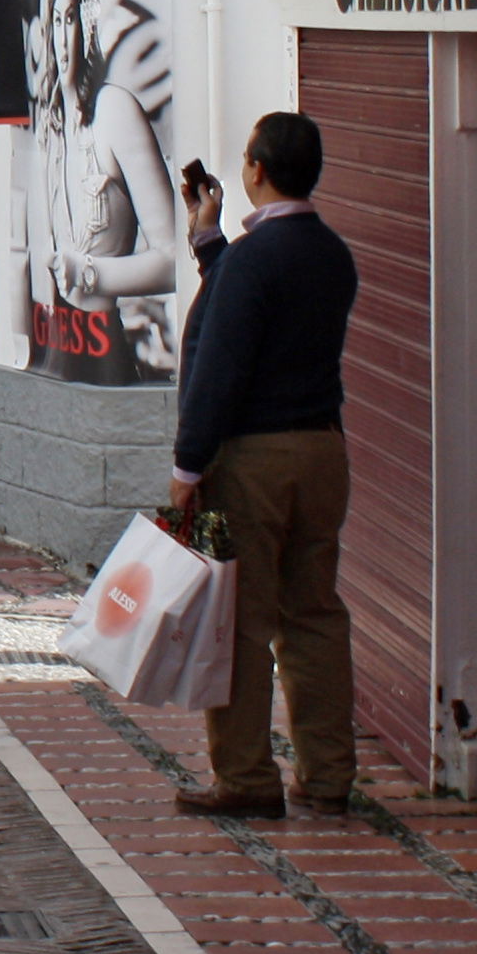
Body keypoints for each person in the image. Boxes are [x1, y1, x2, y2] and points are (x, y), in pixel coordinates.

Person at [171, 112, 361, 819]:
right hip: (322, 449)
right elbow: (259, 306)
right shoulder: (330, 253)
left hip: (253, 458)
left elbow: (223, 362)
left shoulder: (255, 260)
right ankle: (328, 772)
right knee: (313, 614)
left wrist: (187, 469)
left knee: (243, 624)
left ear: (255, 170)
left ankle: (247, 778)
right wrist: (209, 239)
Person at [26, 0, 183, 381]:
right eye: (56, 21)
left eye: (72, 19)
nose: (63, 36)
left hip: (102, 350)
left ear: (89, 23)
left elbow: (173, 259)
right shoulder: (50, 121)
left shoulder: (114, 110)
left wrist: (91, 272)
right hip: (52, 345)